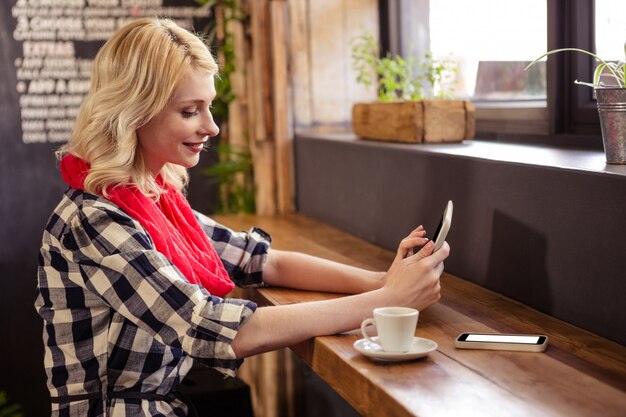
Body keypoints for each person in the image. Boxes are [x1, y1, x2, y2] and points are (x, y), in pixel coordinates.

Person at [35, 17, 450, 417]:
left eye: (208, 107)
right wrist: (387, 302)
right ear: (134, 111)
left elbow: (260, 260)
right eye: (190, 111)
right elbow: (211, 327)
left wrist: (382, 281)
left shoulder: (152, 196)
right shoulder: (95, 220)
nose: (212, 127)